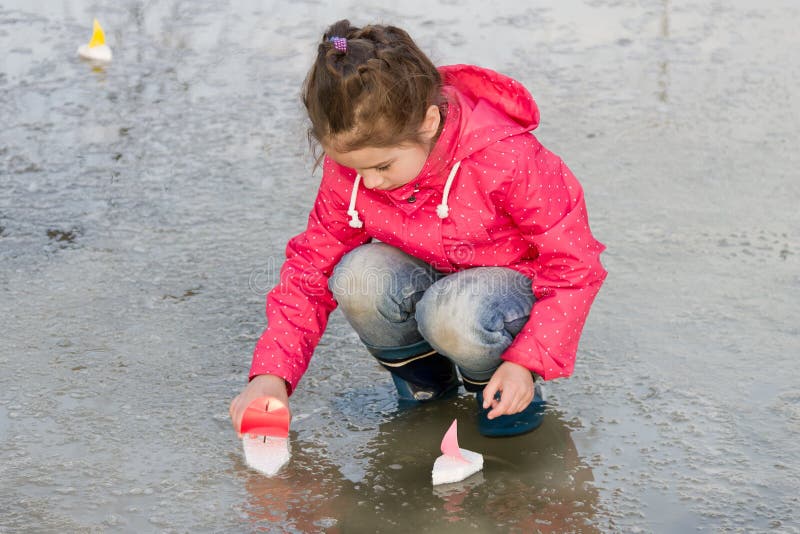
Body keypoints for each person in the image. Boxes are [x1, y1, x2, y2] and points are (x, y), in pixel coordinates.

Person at [230, 19, 606, 437]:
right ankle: (425, 384)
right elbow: (310, 268)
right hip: (434, 281)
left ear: (428, 122)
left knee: (454, 311)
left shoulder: (507, 159)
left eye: (382, 166)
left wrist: (525, 363)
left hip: (504, 298)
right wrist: (272, 376)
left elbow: (575, 266)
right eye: (355, 169)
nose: (368, 182)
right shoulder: (355, 168)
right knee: (357, 274)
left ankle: (499, 389)